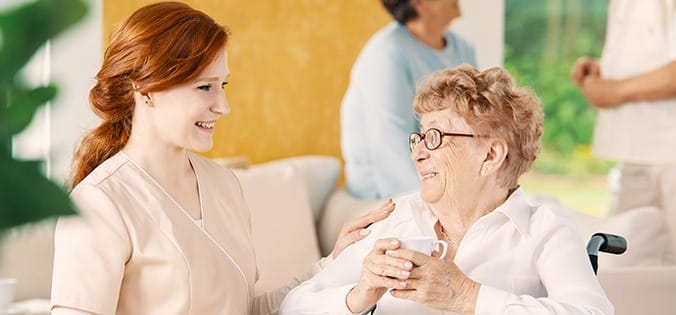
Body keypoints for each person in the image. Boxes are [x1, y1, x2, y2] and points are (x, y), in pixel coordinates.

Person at [50, 2, 394, 314]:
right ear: (146, 89)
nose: (223, 107)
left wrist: (337, 264)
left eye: (223, 86)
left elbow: (248, 310)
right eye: (205, 87)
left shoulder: (224, 185)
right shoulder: (100, 202)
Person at [281, 65, 614, 315]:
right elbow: (292, 307)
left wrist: (466, 294)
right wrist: (358, 295)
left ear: (490, 155)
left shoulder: (544, 229)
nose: (418, 152)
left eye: (435, 137)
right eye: (419, 137)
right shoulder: (398, 221)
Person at [570, 0, 676, 260]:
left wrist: (613, 91)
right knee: (624, 259)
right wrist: (605, 68)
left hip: (669, 150)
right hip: (636, 151)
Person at [340, 0, 477, 200]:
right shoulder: (386, 53)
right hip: (384, 196)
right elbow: (390, 152)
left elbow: (475, 126)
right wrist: (434, 204)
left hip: (446, 185)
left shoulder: (463, 49)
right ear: (419, 3)